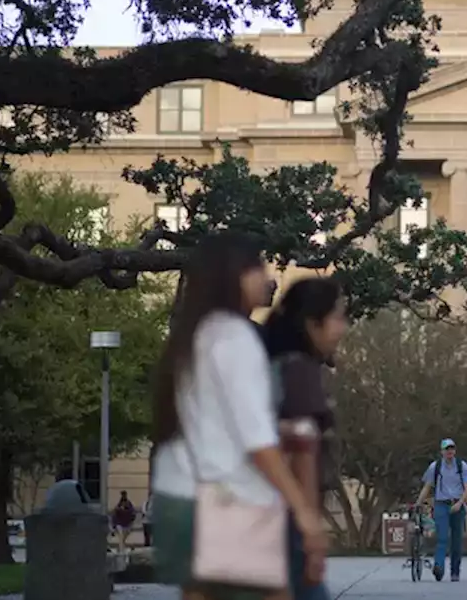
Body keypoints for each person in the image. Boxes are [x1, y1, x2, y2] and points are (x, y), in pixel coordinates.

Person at [149, 232, 327, 600]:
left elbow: (214, 423)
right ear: (234, 276)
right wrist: (303, 512)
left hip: (179, 498)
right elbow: (256, 441)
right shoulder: (235, 337)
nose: (268, 278)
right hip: (228, 500)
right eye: (258, 268)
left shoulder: (192, 336)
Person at [261, 277, 349, 600]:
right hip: (286, 522)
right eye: (338, 317)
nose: (343, 327)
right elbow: (301, 454)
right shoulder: (299, 370)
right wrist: (311, 527)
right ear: (313, 324)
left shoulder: (273, 366)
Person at [415, 438, 467, 583]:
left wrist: (460, 503)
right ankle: (439, 566)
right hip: (441, 504)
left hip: (458, 504)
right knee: (442, 538)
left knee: (456, 540)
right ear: (442, 451)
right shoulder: (435, 467)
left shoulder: (462, 466)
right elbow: (427, 486)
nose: (450, 452)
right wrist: (418, 503)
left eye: (452, 449)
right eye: (447, 449)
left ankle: (455, 571)